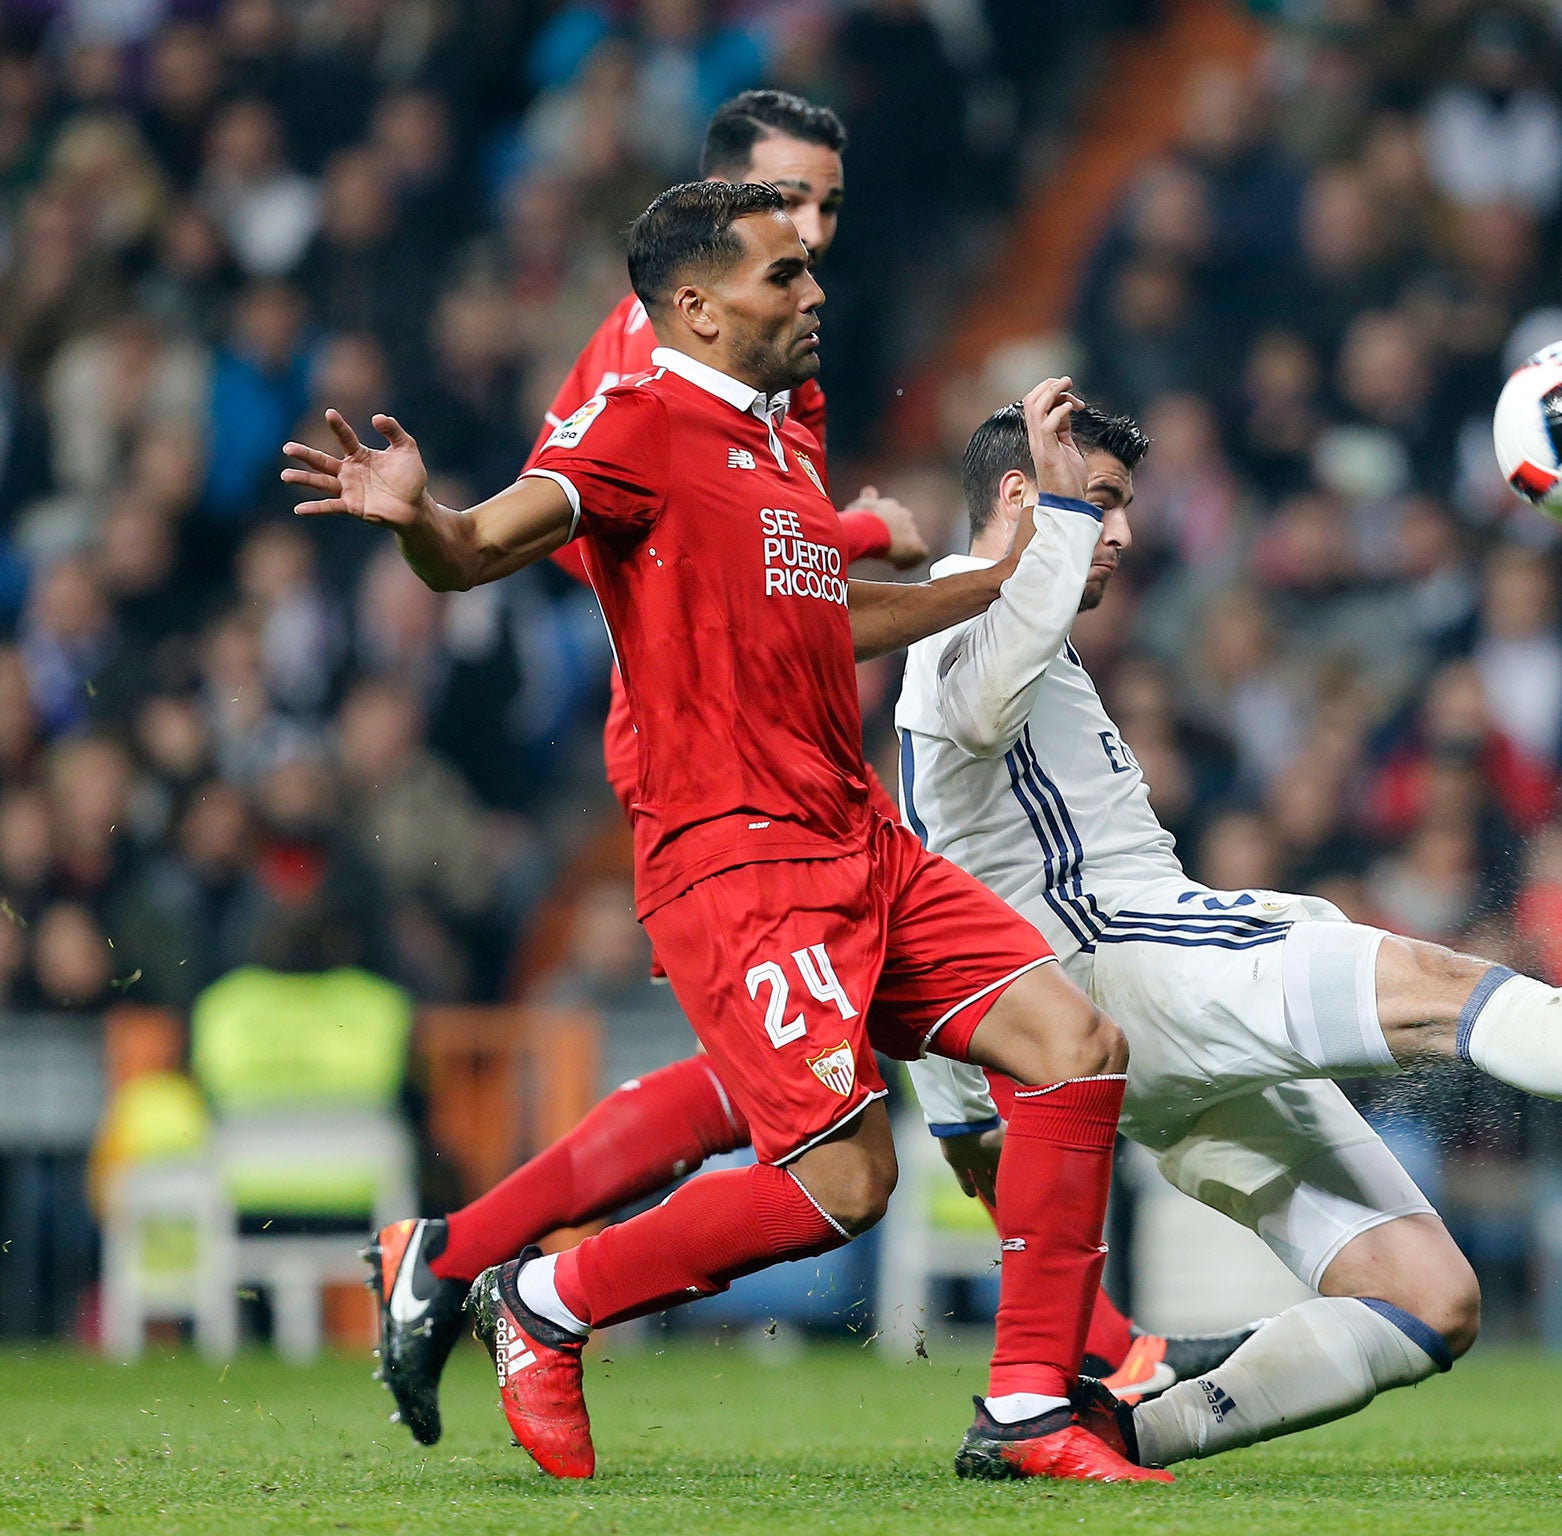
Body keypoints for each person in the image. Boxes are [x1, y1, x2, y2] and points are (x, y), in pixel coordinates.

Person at [363, 90, 1229, 1455]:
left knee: (1076, 1050)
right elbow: (481, 545)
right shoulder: (633, 416)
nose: (819, 279)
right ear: (700, 307)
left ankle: (1026, 1405)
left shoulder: (776, 425)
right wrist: (422, 521)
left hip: (853, 832)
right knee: (845, 1179)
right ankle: (545, 1292)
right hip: (737, 855)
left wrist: (987, 578)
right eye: (788, 266)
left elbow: (813, 609)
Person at [891, 399, 1562, 1472]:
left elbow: (942, 898)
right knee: (1432, 982)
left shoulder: (1012, 624)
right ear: (1019, 495)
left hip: (1135, 1032)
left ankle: (1126, 1426)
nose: (1123, 532)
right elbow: (982, 707)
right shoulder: (962, 609)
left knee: (1430, 1301)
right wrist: (1055, 524)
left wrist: (962, 1119)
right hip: (1134, 969)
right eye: (1101, 501)